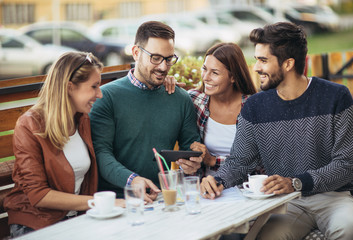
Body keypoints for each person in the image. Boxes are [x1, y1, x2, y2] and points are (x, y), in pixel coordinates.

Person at [201, 22, 353, 240]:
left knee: (348, 227)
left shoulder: (336, 97)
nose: (256, 67)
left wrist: (297, 182)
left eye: (263, 60)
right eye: (256, 59)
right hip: (286, 202)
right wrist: (218, 181)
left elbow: (347, 164)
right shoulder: (255, 107)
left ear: (288, 64)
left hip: (335, 196)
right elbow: (240, 161)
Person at [3, 52, 125, 238]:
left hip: (76, 218)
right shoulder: (29, 125)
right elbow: (39, 195)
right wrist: (99, 203)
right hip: (36, 222)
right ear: (69, 87)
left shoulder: (82, 119)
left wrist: (161, 84)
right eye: (94, 86)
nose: (99, 94)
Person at [90, 21, 201, 203]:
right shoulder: (106, 97)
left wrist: (191, 164)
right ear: (136, 53)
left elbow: (190, 147)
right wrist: (133, 180)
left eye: (169, 59)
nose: (164, 67)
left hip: (163, 198)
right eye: (155, 58)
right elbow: (100, 154)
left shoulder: (181, 99)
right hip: (118, 201)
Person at [188, 42, 257, 176]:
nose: (206, 77)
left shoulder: (253, 107)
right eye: (204, 69)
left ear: (233, 77)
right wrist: (168, 83)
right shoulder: (196, 101)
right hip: (207, 190)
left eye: (214, 73)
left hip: (245, 189)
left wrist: (212, 160)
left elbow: (256, 162)